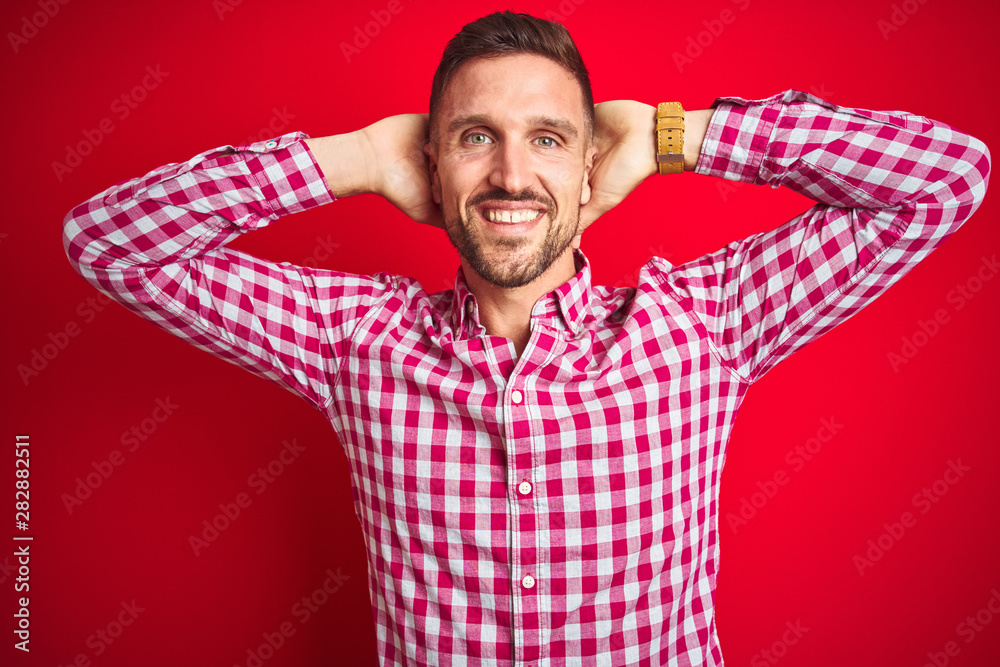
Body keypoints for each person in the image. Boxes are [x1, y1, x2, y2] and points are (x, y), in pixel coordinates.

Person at [62, 10, 990, 667]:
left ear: (591, 167)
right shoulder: (354, 342)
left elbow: (945, 179)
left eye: (548, 139)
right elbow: (109, 244)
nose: (511, 173)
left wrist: (679, 134)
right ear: (432, 165)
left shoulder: (703, 324)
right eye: (476, 137)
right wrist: (354, 159)